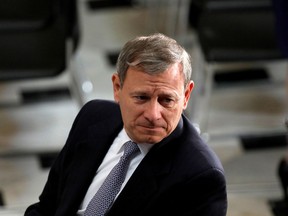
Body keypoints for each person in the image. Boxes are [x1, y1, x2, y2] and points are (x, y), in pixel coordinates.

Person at [25, 33, 227, 216]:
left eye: (166, 100)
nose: (153, 115)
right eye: (141, 97)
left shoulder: (201, 177)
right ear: (117, 87)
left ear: (186, 96)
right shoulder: (92, 117)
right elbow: (47, 208)